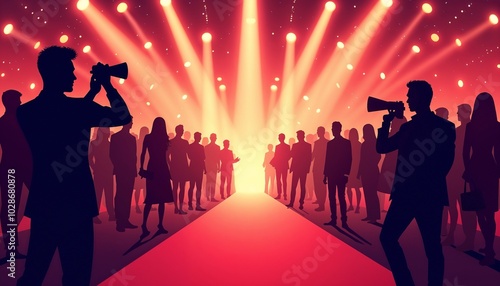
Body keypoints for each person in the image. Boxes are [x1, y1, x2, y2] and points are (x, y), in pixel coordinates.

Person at [16, 46, 131, 285]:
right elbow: (122, 117)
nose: (74, 76)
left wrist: (90, 96)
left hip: (45, 201)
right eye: (69, 71)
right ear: (57, 74)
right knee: (77, 276)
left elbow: (64, 119)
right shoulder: (80, 109)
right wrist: (107, 86)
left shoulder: (26, 112)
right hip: (76, 202)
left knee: (33, 274)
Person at [377, 80, 455, 286]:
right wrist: (386, 122)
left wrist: (386, 123)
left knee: (391, 239)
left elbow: (382, 147)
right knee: (432, 248)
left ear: (422, 98)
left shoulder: (410, 128)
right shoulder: (444, 127)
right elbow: (382, 147)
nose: (408, 99)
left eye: (411, 96)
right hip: (427, 195)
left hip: (410, 194)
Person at [462, 92, 499, 266]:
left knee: (479, 210)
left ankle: (489, 247)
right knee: (489, 212)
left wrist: (468, 169)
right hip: (490, 170)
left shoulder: (471, 126)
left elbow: (465, 152)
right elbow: (498, 153)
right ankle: (489, 247)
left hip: (476, 169)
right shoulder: (497, 126)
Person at [0, 90, 32, 261]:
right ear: (9, 102)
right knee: (10, 210)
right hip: (15, 169)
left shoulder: (6, 122)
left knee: (10, 209)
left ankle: (11, 250)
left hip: (14, 169)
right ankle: (11, 250)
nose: (20, 102)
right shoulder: (14, 122)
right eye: (18, 100)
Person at [446, 104, 477, 250]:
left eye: (459, 112)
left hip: (464, 176)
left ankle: (469, 240)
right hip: (459, 175)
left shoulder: (462, 131)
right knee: (459, 208)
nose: (457, 115)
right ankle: (456, 236)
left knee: (467, 210)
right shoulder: (462, 131)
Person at [139, 117, 173, 239]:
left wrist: (141, 168)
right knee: (161, 199)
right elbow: (166, 157)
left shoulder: (148, 137)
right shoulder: (164, 138)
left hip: (152, 167)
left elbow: (143, 153)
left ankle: (145, 225)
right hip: (162, 168)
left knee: (151, 197)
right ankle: (159, 224)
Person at [110, 120, 138, 232]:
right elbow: (112, 154)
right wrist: (119, 166)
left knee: (126, 194)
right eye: (131, 122)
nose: (132, 124)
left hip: (127, 170)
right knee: (122, 194)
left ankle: (124, 220)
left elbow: (133, 156)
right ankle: (120, 221)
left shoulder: (129, 138)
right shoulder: (117, 137)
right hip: (123, 170)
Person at [323, 122, 352, 228]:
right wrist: (325, 174)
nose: (332, 130)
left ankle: (341, 220)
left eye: (334, 128)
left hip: (338, 174)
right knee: (335, 197)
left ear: (338, 129)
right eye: (332, 128)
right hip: (334, 174)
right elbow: (328, 160)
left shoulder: (344, 143)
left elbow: (349, 159)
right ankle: (337, 219)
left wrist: (346, 174)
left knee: (338, 197)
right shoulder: (334, 143)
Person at [88, 127, 114, 223]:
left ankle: (108, 214)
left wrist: (95, 168)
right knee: (104, 194)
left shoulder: (94, 144)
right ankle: (109, 214)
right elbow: (90, 159)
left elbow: (90, 159)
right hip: (104, 172)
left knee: (101, 194)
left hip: (101, 172)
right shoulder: (108, 144)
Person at [357, 124, 381, 223]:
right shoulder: (369, 143)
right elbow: (362, 159)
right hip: (369, 171)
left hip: (369, 171)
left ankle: (374, 216)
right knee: (369, 193)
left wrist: (360, 172)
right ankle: (371, 215)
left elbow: (377, 157)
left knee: (371, 194)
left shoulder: (369, 144)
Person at [286, 131, 312, 209]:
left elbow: (309, 158)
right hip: (301, 169)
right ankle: (299, 203)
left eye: (298, 135)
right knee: (301, 186)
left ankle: (293, 203)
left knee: (296, 186)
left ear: (301, 136)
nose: (297, 137)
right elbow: (309, 158)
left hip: (298, 168)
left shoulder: (296, 145)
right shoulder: (307, 145)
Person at [168, 125, 190, 214]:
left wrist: (171, 165)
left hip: (176, 167)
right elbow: (189, 155)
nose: (183, 131)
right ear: (179, 131)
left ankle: (176, 207)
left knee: (175, 187)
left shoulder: (171, 142)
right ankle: (179, 207)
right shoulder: (185, 142)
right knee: (181, 187)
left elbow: (167, 156)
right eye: (182, 130)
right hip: (182, 167)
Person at [187, 132, 207, 211]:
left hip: (193, 168)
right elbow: (203, 159)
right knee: (198, 187)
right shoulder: (201, 147)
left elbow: (190, 156)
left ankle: (190, 204)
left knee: (192, 187)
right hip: (198, 168)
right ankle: (197, 205)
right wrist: (204, 168)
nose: (200, 138)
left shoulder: (190, 146)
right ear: (197, 137)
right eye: (200, 137)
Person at [312, 126, 328, 212]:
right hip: (321, 167)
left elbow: (313, 155)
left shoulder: (318, 143)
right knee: (321, 185)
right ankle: (321, 202)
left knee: (319, 185)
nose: (317, 133)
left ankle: (321, 204)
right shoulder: (327, 142)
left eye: (318, 131)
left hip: (319, 167)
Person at [346, 128, 362, 213]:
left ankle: (357, 206)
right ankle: (351, 205)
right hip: (350, 168)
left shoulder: (359, 145)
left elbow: (360, 158)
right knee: (349, 188)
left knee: (356, 188)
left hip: (355, 168)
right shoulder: (349, 144)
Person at [271, 133, 291, 200]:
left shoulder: (279, 146)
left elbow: (287, 156)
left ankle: (281, 194)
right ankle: (283, 194)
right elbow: (288, 156)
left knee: (281, 180)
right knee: (282, 180)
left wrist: (276, 162)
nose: (279, 138)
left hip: (280, 165)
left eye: (279, 137)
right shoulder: (286, 146)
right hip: (282, 165)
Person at [205, 133, 221, 202]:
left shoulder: (207, 147)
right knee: (210, 181)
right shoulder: (216, 147)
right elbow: (205, 157)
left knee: (210, 181)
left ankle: (210, 196)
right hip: (211, 165)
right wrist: (219, 165)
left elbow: (218, 157)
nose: (214, 139)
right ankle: (210, 196)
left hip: (210, 165)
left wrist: (219, 165)